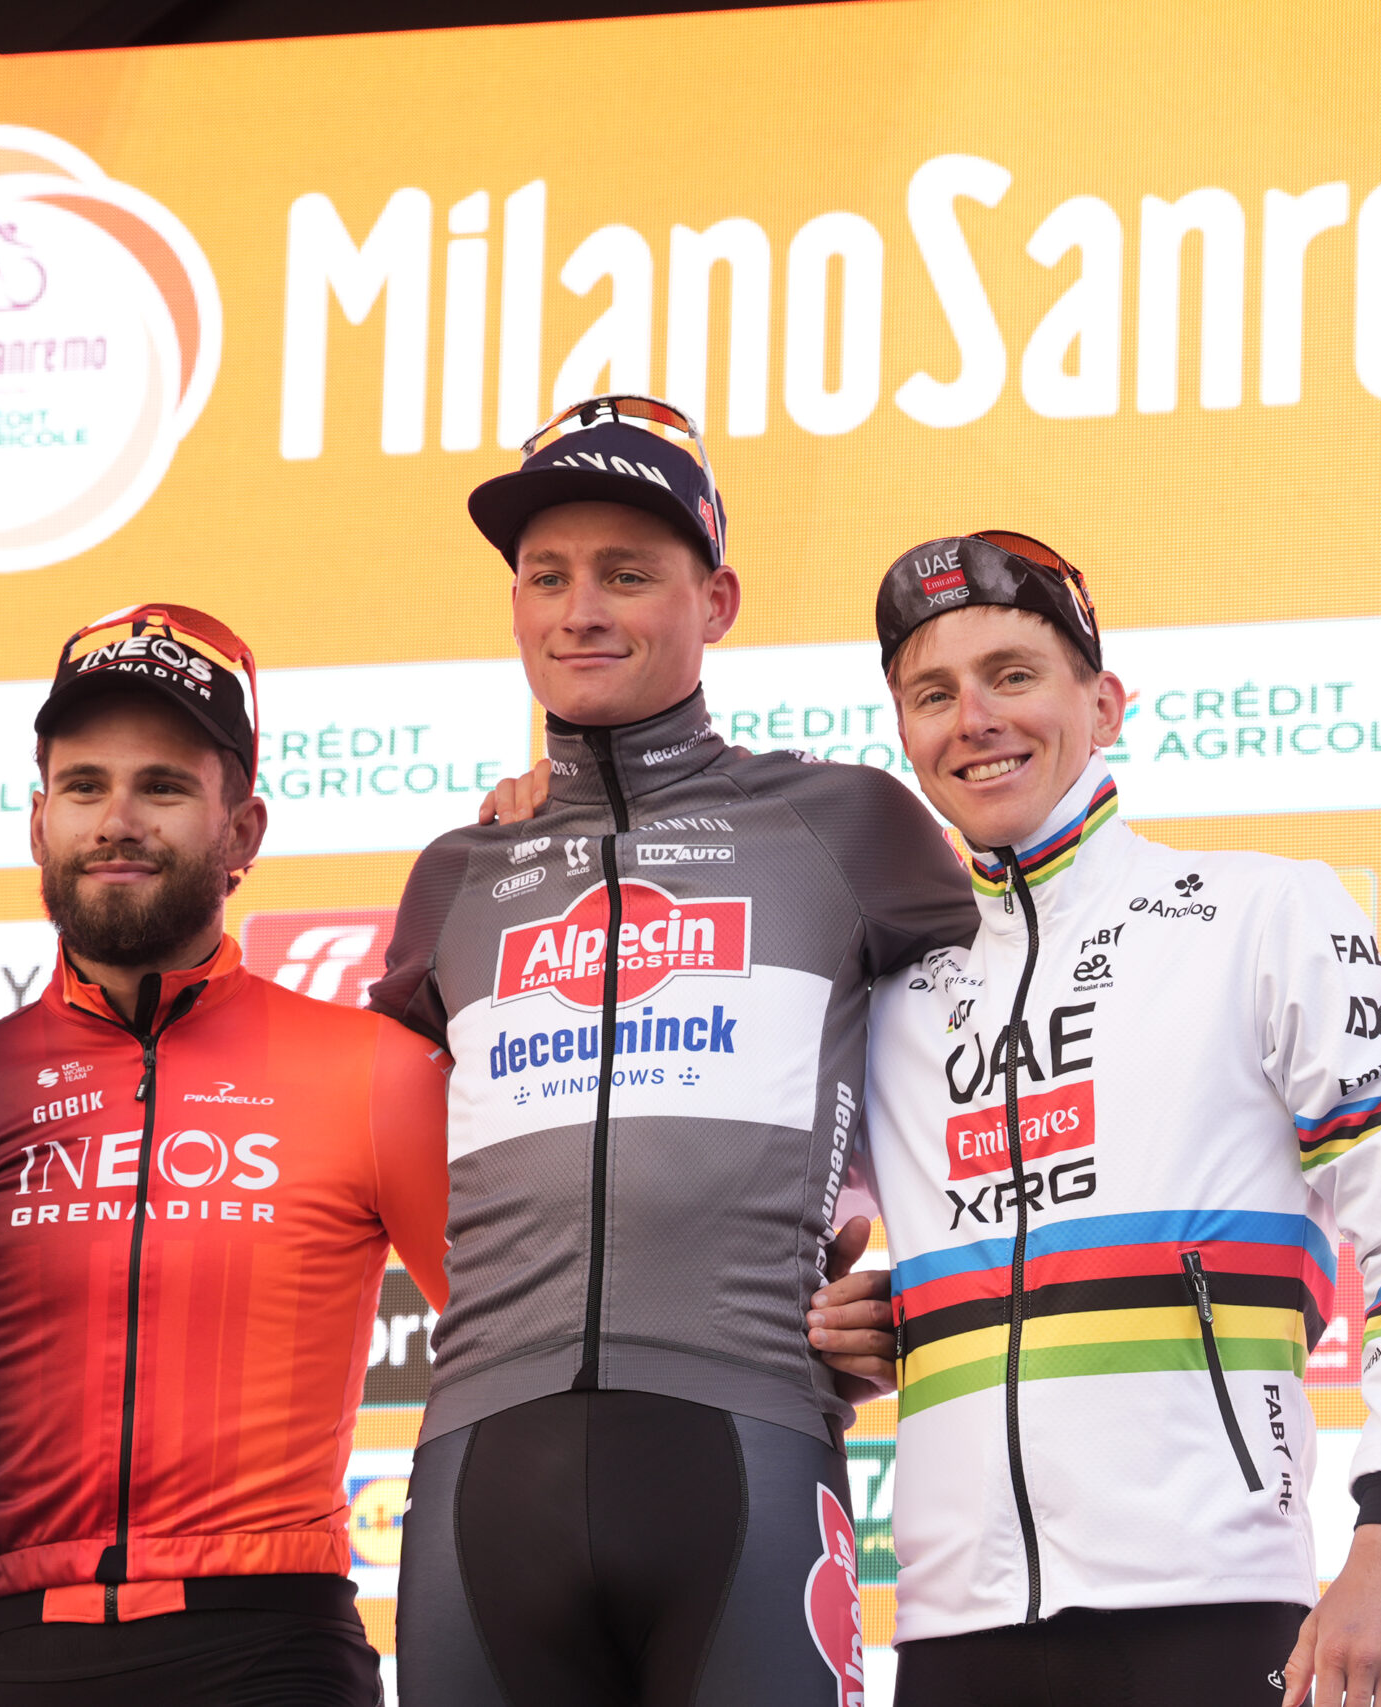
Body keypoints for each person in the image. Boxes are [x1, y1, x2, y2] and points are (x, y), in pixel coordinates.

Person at [368, 394, 977, 1707]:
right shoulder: (458, 872)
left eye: (627, 573)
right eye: (547, 576)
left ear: (718, 600)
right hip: (484, 1463)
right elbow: (371, 1158)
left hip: (744, 1442)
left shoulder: (847, 824)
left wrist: (929, 1283)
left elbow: (1011, 1055)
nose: (580, 609)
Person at [0, 604, 450, 1707]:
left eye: (161, 787)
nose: (117, 820)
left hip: (277, 1658)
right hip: (15, 1662)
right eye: (83, 786)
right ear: (38, 824)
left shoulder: (376, 1074)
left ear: (244, 830)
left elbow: (536, 1368)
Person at [860, 532, 1381, 1707]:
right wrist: (843, 1326)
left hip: (1213, 1606)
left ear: (1102, 705)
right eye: (933, 693)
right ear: (905, 733)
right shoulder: (890, 998)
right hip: (952, 1626)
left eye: (1012, 675)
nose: (975, 720)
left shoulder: (1260, 912)